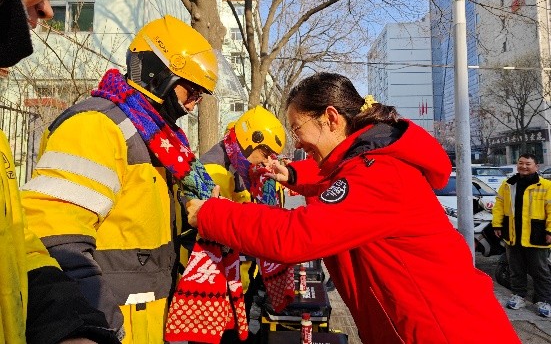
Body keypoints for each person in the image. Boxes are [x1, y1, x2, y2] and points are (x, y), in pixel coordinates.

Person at [185, 72, 521, 343]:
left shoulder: (379, 174)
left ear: (330, 118)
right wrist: (291, 173)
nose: (297, 142)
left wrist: (210, 213)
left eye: (298, 129)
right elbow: (332, 180)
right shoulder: (372, 164)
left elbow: (295, 235)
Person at [21, 15, 219, 343]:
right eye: (192, 90)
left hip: (152, 317)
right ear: (160, 76)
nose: (194, 104)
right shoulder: (97, 127)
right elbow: (55, 238)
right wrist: (97, 325)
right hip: (117, 322)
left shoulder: (164, 142)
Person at [0, 0, 119, 343]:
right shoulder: (101, 125)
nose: (49, 9)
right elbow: (54, 228)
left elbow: (13, 245)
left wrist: (71, 325)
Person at [200, 106, 287, 343]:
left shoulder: (239, 166)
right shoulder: (215, 171)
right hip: (217, 287)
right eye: (267, 152)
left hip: (240, 279)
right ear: (251, 141)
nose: (269, 160)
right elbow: (222, 229)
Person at [492, 153, 551, 317]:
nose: (523, 166)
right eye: (521, 163)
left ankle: (544, 301)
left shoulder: (546, 186)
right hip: (513, 234)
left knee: (540, 270)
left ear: (536, 166)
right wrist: (497, 224)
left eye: (528, 164)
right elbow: (499, 206)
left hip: (536, 235)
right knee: (515, 268)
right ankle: (519, 296)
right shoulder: (508, 184)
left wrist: (549, 231)